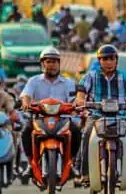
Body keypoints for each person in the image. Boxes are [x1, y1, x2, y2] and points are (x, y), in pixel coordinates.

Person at [75, 45, 126, 183]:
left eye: (111, 59)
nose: (108, 62)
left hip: (120, 116)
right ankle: (85, 173)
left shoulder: (124, 75)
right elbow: (81, 93)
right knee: (87, 134)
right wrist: (80, 100)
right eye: (105, 59)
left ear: (116, 60)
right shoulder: (91, 76)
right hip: (96, 115)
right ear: (99, 61)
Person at [20, 47, 81, 182]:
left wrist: (76, 105)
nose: (52, 65)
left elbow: (73, 100)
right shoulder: (33, 81)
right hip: (39, 119)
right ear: (43, 64)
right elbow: (26, 95)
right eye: (48, 61)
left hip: (62, 119)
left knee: (76, 132)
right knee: (25, 132)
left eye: (55, 62)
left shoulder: (68, 82)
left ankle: (71, 163)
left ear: (59, 64)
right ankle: (31, 164)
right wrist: (26, 103)